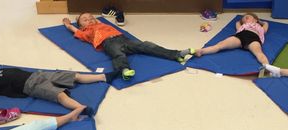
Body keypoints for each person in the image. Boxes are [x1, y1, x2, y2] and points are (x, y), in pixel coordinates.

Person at [0, 61, 116, 115]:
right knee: (59, 95)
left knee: (73, 76)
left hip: (39, 74)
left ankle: (103, 76)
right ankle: (80, 108)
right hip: (31, 85)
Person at [62, 13, 194, 80]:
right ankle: (124, 70)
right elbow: (75, 30)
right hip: (108, 42)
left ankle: (177, 55)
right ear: (81, 26)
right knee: (118, 54)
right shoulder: (86, 32)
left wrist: (96, 20)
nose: (90, 19)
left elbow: (99, 19)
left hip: (123, 39)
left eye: (91, 17)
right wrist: (68, 25)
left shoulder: (101, 24)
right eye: (85, 19)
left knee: (146, 45)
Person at [195, 13, 269, 66]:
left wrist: (259, 22)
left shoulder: (260, 27)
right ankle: (202, 51)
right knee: (220, 45)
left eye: (247, 17)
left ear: (255, 19)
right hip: (240, 36)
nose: (245, 19)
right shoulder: (242, 26)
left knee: (259, 53)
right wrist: (243, 21)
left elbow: (266, 24)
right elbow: (237, 23)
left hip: (254, 38)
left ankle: (267, 67)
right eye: (243, 19)